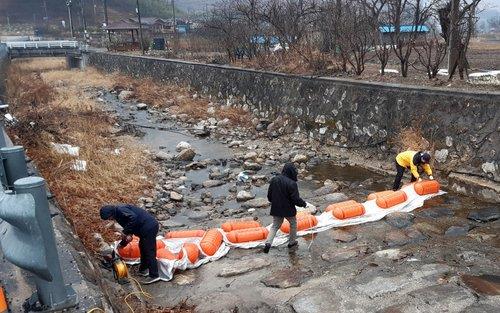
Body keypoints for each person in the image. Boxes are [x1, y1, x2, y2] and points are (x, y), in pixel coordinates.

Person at [100, 204, 160, 284]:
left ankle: (154, 275)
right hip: (143, 228)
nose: (109, 219)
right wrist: (123, 243)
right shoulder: (118, 215)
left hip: (149, 227)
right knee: (142, 247)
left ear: (111, 213)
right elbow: (130, 226)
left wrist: (125, 232)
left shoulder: (121, 210)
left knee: (149, 251)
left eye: (109, 218)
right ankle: (143, 269)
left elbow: (133, 218)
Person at [263, 163, 307, 253]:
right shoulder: (292, 183)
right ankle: (292, 242)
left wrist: (274, 202)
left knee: (275, 226)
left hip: (276, 208)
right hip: (288, 209)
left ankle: (268, 243)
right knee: (293, 224)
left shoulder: (274, 180)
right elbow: (295, 199)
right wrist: (304, 204)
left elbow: (269, 195)